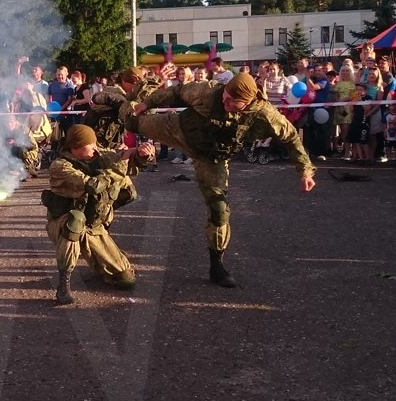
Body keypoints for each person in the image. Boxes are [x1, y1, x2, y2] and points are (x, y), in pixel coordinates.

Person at [121, 73, 316, 287]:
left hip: (211, 158)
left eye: (233, 101)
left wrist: (305, 171)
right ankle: (121, 99)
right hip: (178, 130)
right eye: (225, 96)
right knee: (132, 122)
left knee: (219, 210)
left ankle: (217, 265)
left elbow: (291, 138)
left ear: (248, 101)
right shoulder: (209, 92)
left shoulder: (265, 115)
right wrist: (146, 103)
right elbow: (177, 92)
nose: (225, 102)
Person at [42, 124, 155, 305]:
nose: (96, 147)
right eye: (91, 144)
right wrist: (121, 165)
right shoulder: (60, 167)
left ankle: (102, 255)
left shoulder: (97, 156)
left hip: (93, 226)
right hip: (62, 222)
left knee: (125, 279)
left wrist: (141, 154)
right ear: (75, 146)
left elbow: (123, 158)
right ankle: (64, 283)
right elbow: (95, 185)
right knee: (75, 221)